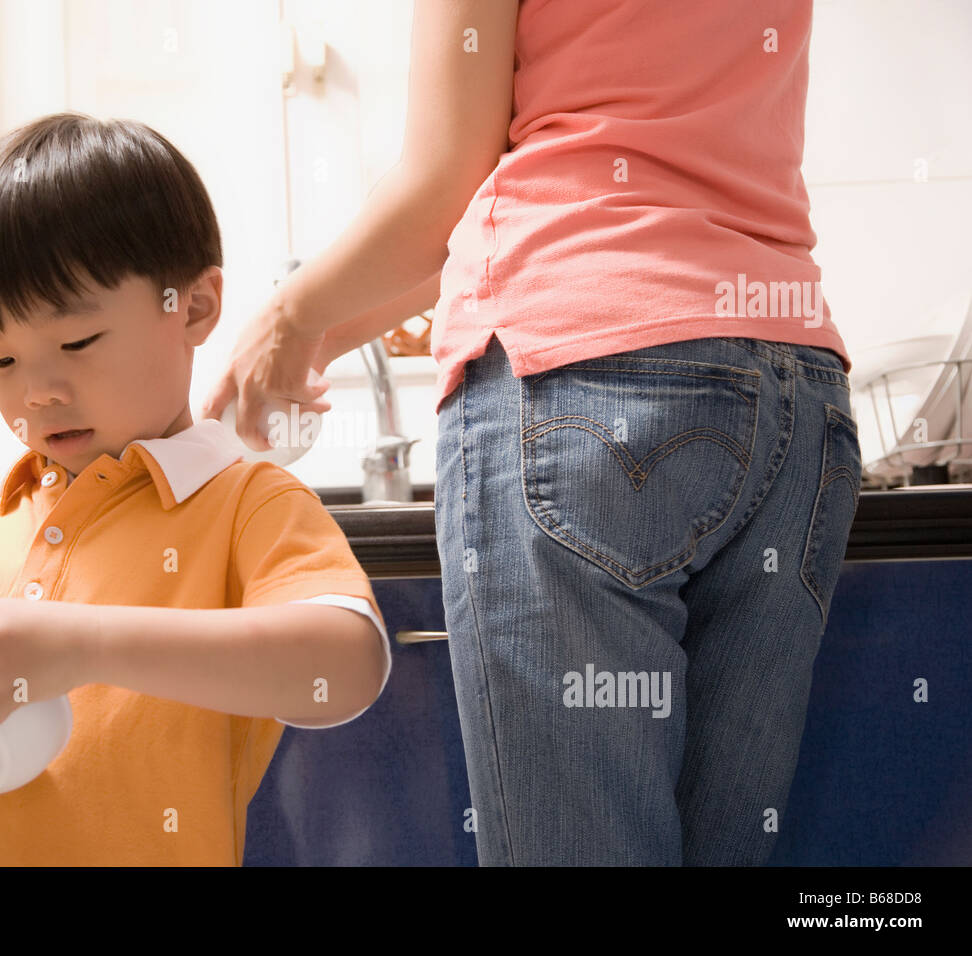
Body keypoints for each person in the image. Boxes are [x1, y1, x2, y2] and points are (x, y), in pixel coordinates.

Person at [200, 0, 861, 865]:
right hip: (795, 392)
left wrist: (284, 318)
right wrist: (310, 339)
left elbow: (444, 183)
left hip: (583, 380)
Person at [0, 112, 392, 866]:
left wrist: (84, 642)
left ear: (191, 308)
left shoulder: (244, 503)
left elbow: (345, 668)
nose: (36, 392)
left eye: (75, 344)